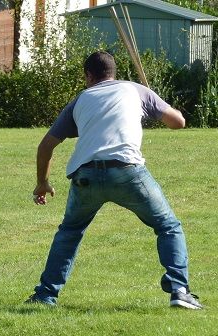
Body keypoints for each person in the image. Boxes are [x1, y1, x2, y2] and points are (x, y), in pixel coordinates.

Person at [26, 50, 203, 309]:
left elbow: (46, 146)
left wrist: (43, 182)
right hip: (127, 172)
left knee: (69, 233)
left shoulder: (80, 100)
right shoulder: (136, 90)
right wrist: (156, 104)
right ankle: (179, 291)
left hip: (85, 176)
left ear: (88, 76)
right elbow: (178, 122)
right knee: (168, 227)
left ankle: (45, 295)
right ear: (113, 73)